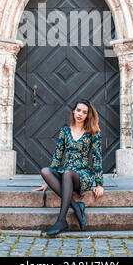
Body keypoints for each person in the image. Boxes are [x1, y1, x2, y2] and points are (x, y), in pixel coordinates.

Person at [33, 99, 104, 236]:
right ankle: (76, 206)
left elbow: (96, 158)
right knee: (45, 171)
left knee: (67, 174)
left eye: (84, 112)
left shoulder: (92, 132)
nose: (80, 114)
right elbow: (58, 155)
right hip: (66, 172)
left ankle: (61, 220)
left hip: (82, 175)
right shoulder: (65, 131)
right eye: (78, 110)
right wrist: (48, 182)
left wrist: (99, 183)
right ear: (73, 111)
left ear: (87, 115)